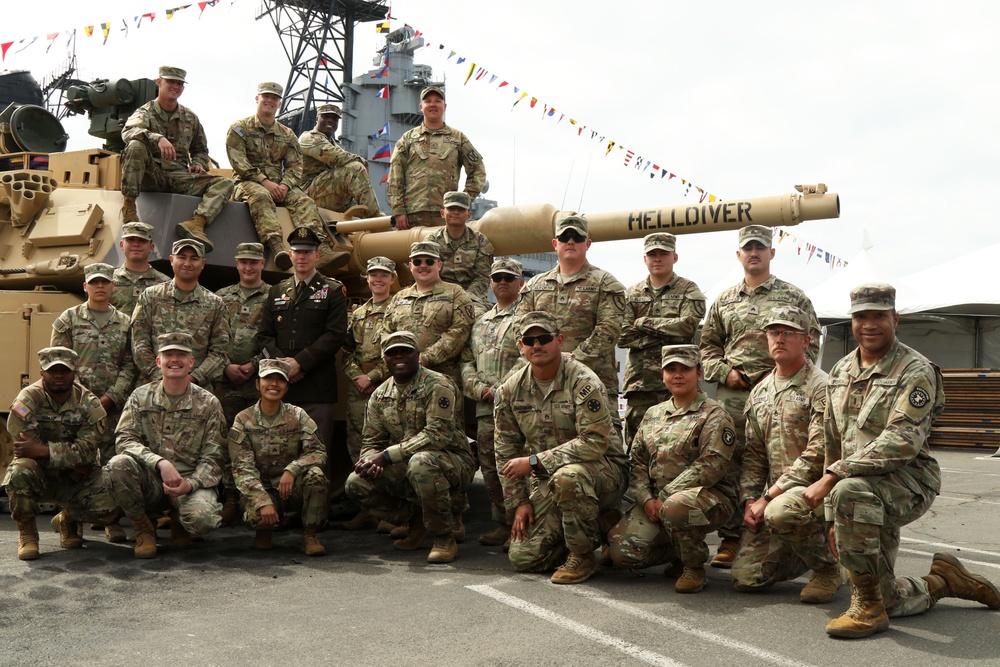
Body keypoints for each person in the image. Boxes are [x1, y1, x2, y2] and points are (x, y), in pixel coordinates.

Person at [793, 284, 1000, 638]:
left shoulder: (915, 369)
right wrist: (832, 515)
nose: (869, 324)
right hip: (857, 489)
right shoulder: (841, 370)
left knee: (850, 492)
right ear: (852, 320)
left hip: (908, 480)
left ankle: (868, 610)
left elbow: (901, 442)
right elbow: (833, 441)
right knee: (888, 594)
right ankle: (944, 581)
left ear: (895, 319)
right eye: (861, 316)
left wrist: (831, 480)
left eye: (879, 316)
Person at [699, 224, 821, 568]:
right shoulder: (725, 300)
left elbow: (811, 344)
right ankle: (733, 537)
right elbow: (708, 347)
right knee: (734, 463)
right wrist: (726, 373)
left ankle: (796, 531)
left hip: (783, 392)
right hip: (734, 396)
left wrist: (784, 378)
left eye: (760, 248)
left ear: (771, 253)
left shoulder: (794, 297)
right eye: (748, 248)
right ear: (739, 254)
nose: (754, 253)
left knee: (789, 461)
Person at [494, 311, 627, 585]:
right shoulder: (510, 390)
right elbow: (504, 450)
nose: (537, 345)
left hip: (602, 471)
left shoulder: (583, 381)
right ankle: (602, 524)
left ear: (560, 341)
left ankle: (582, 555)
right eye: (529, 341)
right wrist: (519, 502)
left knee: (569, 477)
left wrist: (533, 462)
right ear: (521, 346)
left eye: (544, 338)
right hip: (548, 477)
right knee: (524, 559)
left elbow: (594, 442)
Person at [608, 345, 739, 593]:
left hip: (708, 500)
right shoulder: (653, 414)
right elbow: (637, 462)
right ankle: (677, 548)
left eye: (685, 369)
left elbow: (711, 465)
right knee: (621, 554)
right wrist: (646, 499)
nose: (678, 375)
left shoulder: (714, 414)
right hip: (657, 502)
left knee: (677, 506)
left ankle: (693, 568)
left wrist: (665, 496)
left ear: (698, 374)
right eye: (671, 369)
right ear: (663, 375)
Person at [731, 306, 839, 602]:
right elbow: (753, 455)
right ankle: (801, 550)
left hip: (818, 495)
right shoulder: (760, 392)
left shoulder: (821, 386)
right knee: (746, 578)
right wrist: (750, 500)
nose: (779, 339)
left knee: (781, 512)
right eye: (774, 332)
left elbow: (818, 452)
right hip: (778, 500)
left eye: (788, 333)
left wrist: (769, 496)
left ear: (806, 341)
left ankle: (828, 568)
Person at [345, 331, 475, 564]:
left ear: (418, 355)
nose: (399, 357)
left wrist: (386, 456)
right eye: (392, 353)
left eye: (405, 351)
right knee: (356, 482)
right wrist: (368, 461)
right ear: (384, 359)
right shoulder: (379, 395)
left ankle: (444, 537)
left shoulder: (438, 385)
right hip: (407, 462)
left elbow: (437, 435)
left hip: (452, 460)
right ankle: (416, 522)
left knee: (421, 463)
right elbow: (371, 441)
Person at [104, 332, 226, 559]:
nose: (175, 360)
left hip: (189, 481)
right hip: (151, 479)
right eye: (168, 354)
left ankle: (180, 519)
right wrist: (159, 462)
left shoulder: (208, 403)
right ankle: (143, 527)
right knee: (117, 466)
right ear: (158, 361)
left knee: (203, 520)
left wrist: (189, 485)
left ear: (192, 362)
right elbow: (124, 440)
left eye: (181, 355)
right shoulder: (140, 397)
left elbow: (214, 456)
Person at [4, 347, 118, 560]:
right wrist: (69, 459)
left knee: (111, 506)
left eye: (64, 371)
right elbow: (23, 447)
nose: (58, 375)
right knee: (20, 471)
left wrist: (42, 451)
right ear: (42, 372)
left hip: (76, 477)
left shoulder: (89, 403)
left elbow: (87, 451)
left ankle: (67, 518)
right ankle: (28, 534)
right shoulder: (27, 399)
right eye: (52, 370)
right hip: (44, 474)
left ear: (74, 372)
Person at [257, 227, 348, 490]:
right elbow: (263, 337)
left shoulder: (332, 291)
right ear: (290, 254)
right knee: (280, 453)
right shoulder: (276, 291)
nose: (302, 257)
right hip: (280, 387)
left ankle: (315, 513)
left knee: (316, 452)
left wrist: (300, 363)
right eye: (297, 252)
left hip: (317, 387)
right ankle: (283, 509)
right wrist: (284, 367)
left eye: (308, 252)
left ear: (318, 255)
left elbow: (334, 336)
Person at [51, 262, 134, 543]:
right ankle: (70, 522)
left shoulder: (125, 322)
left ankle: (112, 521)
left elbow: (130, 365)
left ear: (113, 286)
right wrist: (82, 401)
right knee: (74, 464)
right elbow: (57, 366)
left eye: (105, 282)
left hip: (113, 406)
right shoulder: (68, 320)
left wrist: (111, 397)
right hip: (77, 408)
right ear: (85, 286)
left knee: (112, 463)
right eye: (94, 282)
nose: (100, 286)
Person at [516, 215, 625, 415]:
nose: (571, 241)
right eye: (565, 237)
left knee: (600, 441)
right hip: (543, 386)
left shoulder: (605, 283)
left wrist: (571, 361)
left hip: (591, 382)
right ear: (555, 244)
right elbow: (519, 330)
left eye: (577, 237)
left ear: (588, 244)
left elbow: (609, 329)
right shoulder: (534, 286)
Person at [226, 82, 340, 271]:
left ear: (279, 103)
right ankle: (277, 246)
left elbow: (295, 166)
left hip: (280, 187)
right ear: (257, 98)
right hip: (248, 183)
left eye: (275, 98)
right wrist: (265, 183)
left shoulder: (287, 135)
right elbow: (239, 162)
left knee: (304, 201)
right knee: (261, 197)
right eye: (266, 96)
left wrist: (285, 186)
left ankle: (321, 248)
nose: (270, 101)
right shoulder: (240, 128)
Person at [120, 65, 234, 252]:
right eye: (170, 82)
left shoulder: (190, 118)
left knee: (225, 183)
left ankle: (196, 223)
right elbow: (128, 133)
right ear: (159, 82)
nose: (175, 86)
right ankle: (129, 210)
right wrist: (157, 138)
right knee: (135, 146)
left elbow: (200, 149)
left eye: (179, 84)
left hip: (179, 176)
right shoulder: (145, 112)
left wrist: (198, 163)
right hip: (151, 174)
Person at [230, 358, 329, 556]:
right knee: (255, 516)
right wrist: (262, 500)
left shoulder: (298, 415)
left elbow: (318, 452)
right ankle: (263, 531)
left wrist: (293, 469)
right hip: (263, 488)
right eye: (268, 379)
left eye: (280, 380)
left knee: (316, 476)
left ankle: (309, 535)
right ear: (258, 384)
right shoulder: (243, 419)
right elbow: (242, 467)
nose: (274, 384)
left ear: (286, 386)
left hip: (291, 489)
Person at [618, 233, 705, 447]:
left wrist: (642, 323)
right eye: (652, 254)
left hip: (679, 382)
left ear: (674, 257)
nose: (658, 258)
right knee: (640, 446)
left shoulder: (688, 290)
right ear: (645, 259)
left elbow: (686, 327)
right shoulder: (632, 293)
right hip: (641, 385)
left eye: (663, 254)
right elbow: (621, 335)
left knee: (682, 444)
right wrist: (667, 332)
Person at [460, 258, 524, 547]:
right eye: (497, 277)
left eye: (509, 278)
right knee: (490, 469)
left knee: (516, 468)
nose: (502, 282)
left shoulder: (527, 318)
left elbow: (529, 358)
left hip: (518, 409)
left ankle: (522, 526)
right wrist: (477, 388)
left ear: (520, 283)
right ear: (490, 283)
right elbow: (467, 360)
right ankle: (503, 522)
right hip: (485, 410)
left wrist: (499, 389)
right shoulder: (481, 322)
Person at [214, 242, 270, 524]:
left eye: (254, 262)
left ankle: (258, 499)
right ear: (236, 264)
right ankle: (232, 497)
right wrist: (226, 366)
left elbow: (278, 339)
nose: (248, 267)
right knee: (227, 441)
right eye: (243, 262)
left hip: (261, 381)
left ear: (263, 263)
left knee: (260, 442)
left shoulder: (275, 296)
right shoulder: (220, 298)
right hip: (226, 382)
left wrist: (255, 364)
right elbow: (212, 337)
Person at [339, 256, 395, 531]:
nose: (378, 280)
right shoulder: (358, 314)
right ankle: (368, 508)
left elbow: (401, 352)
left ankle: (391, 510)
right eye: (373, 275)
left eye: (383, 275)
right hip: (358, 389)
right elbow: (347, 351)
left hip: (386, 386)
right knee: (357, 444)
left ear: (392, 279)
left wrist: (372, 376)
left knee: (387, 445)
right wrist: (358, 377)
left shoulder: (398, 310)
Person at [130, 238, 230, 386]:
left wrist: (192, 379)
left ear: (202, 264)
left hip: (197, 391)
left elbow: (220, 351)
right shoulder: (150, 297)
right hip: (153, 387)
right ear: (171, 260)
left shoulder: (215, 304)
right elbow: (139, 341)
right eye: (181, 257)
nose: (187, 264)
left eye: (194, 259)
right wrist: (160, 376)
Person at [387, 85, 486, 229]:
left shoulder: (458, 138)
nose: (433, 104)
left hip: (446, 214)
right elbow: (395, 175)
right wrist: (398, 210)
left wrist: (462, 201)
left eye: (437, 101)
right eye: (428, 101)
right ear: (421, 106)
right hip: (413, 215)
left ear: (444, 106)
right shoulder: (407, 139)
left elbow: (478, 169)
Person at [381, 241, 475, 384]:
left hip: (442, 379)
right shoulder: (399, 298)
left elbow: (461, 330)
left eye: (429, 261)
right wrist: (394, 359)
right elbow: (386, 332)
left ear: (439, 265)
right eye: (417, 261)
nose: (423, 266)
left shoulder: (455, 293)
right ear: (410, 266)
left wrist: (425, 358)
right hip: (403, 379)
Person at [299, 103, 381, 218]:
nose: (331, 120)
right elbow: (335, 157)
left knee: (359, 203)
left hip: (326, 192)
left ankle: (374, 216)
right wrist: (361, 160)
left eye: (334, 118)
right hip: (308, 194)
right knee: (355, 169)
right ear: (317, 118)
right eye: (326, 117)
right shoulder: (309, 138)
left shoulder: (332, 143)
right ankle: (375, 218)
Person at [425, 191, 494, 315]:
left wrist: (465, 298)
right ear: (442, 213)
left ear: (468, 214)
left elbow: (482, 277)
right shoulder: (432, 241)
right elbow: (427, 273)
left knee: (477, 319)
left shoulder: (480, 241)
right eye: (451, 208)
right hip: (437, 295)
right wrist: (444, 296)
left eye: (461, 209)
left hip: (472, 298)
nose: (456, 212)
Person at [110, 221, 170, 318]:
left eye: (142, 240)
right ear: (121, 245)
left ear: (151, 247)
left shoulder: (165, 284)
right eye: (130, 240)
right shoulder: (108, 281)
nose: (136, 244)